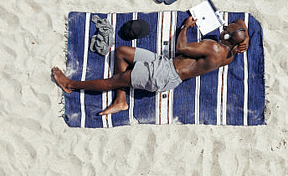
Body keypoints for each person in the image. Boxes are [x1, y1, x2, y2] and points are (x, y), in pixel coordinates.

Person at [53, 16, 249, 115]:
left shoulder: (214, 48)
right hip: (164, 63)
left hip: (162, 75)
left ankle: (71, 85)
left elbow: (181, 47)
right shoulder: (229, 57)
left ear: (227, 36)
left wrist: (185, 27)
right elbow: (239, 25)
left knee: (114, 81)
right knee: (120, 52)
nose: (223, 28)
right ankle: (121, 100)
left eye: (225, 28)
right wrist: (244, 40)